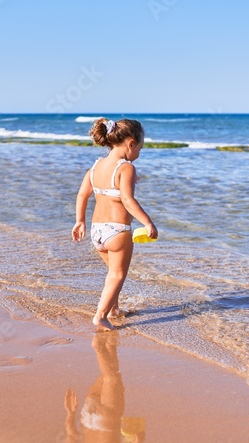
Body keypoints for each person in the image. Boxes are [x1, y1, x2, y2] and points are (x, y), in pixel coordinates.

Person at [72, 118, 158, 331]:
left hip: (97, 231)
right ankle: (100, 316)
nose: (138, 153)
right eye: (140, 148)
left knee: (113, 272)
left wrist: (79, 221)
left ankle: (114, 310)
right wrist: (147, 223)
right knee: (118, 274)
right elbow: (128, 201)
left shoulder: (96, 166)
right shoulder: (126, 167)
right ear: (130, 143)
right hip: (117, 231)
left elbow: (83, 194)